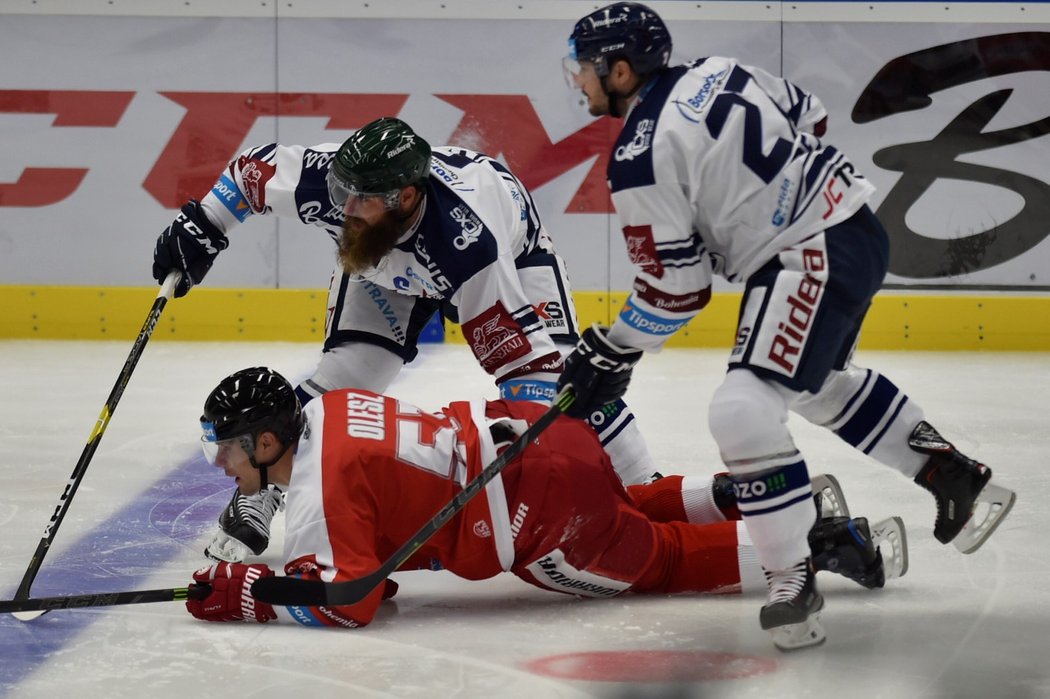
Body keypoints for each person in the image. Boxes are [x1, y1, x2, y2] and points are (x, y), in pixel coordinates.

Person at [555, 2, 1015, 650]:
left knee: (741, 410)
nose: (578, 81)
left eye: (585, 69)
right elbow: (809, 114)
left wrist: (612, 346)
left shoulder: (638, 156)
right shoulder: (720, 70)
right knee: (811, 382)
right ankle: (951, 474)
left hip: (809, 254)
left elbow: (676, 292)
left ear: (622, 70)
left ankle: (790, 572)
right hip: (855, 227)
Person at [151, 117, 660, 564]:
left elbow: (528, 376)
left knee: (568, 377)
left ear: (407, 197)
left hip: (514, 257)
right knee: (347, 376)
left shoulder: (469, 249)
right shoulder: (331, 185)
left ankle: (649, 490)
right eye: (341, 191)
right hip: (380, 266)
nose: (344, 208)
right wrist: (202, 225)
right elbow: (252, 172)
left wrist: (537, 454)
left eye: (361, 199)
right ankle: (262, 489)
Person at [185, 367, 906, 629]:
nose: (220, 461)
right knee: (627, 498)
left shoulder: (315, 495)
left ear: (270, 443)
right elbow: (371, 537)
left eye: (230, 445)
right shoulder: (334, 408)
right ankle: (751, 495)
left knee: (656, 561)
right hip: (543, 437)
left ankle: (825, 543)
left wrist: (245, 591)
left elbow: (352, 601)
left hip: (545, 516)